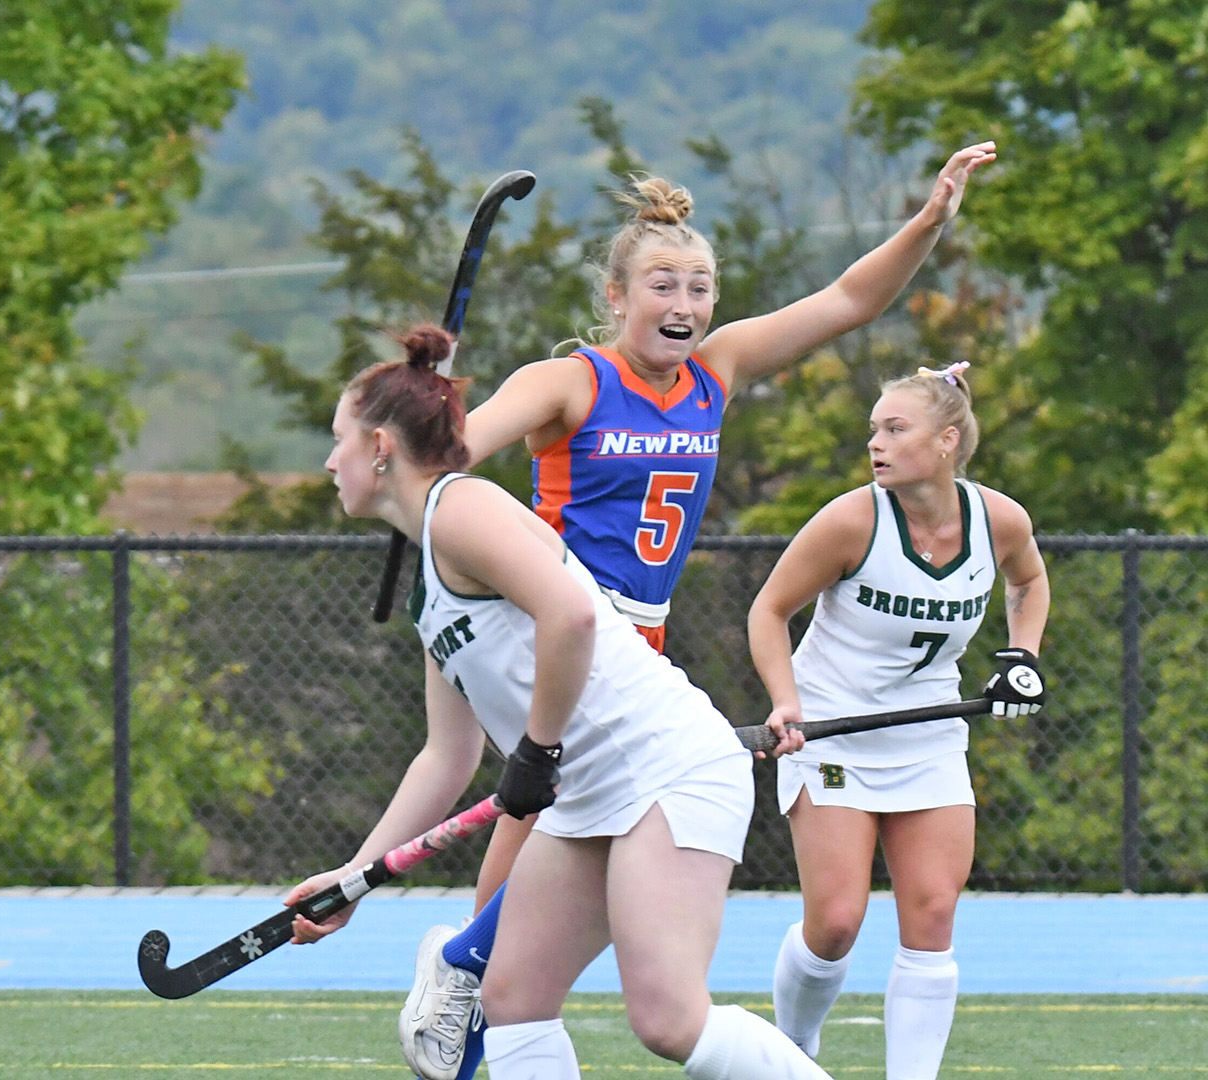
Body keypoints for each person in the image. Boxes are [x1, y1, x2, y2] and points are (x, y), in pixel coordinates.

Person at [402, 141, 999, 1080]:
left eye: (699, 288)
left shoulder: (716, 371)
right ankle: (465, 965)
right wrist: (431, 428)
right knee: (515, 893)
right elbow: (459, 457)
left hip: (640, 657)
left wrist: (928, 221)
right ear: (616, 297)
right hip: (557, 646)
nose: (683, 307)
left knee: (521, 933)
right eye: (662, 287)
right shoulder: (572, 381)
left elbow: (847, 301)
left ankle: (465, 962)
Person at [292, 324, 830, 1080]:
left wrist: (538, 752)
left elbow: (569, 615)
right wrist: (357, 876)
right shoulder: (433, 586)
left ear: (380, 445)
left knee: (668, 1018)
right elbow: (447, 755)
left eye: (338, 439)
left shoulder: (462, 510)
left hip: (669, 771)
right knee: (510, 997)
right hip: (589, 795)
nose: (328, 460)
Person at [747, 363, 1048, 1076]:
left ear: (947, 441)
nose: (875, 443)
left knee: (933, 916)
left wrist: (1022, 657)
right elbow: (768, 610)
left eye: (894, 429)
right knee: (837, 923)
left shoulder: (999, 520)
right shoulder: (852, 520)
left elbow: (1029, 580)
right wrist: (784, 702)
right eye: (873, 430)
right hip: (831, 734)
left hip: (928, 738)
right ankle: (794, 1054)